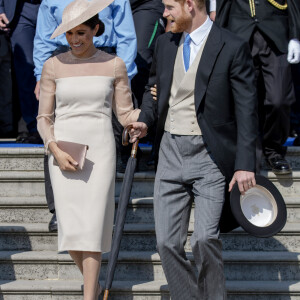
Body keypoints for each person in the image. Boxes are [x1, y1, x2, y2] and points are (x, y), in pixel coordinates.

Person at [129, 0, 258, 298]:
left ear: (190, 5)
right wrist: (145, 121)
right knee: (166, 244)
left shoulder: (232, 46)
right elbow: (154, 91)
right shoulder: (164, 44)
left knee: (204, 239)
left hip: (210, 156)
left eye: (170, 6)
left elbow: (247, 110)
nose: (164, 13)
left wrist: (245, 163)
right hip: (169, 153)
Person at [36, 0, 140, 298]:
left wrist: (147, 114)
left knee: (93, 229)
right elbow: (44, 118)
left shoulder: (114, 64)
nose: (75, 40)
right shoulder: (52, 65)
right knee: (71, 231)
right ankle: (96, 289)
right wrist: (54, 149)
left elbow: (125, 114)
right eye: (69, 34)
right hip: (63, 150)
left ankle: (89, 297)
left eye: (81, 32)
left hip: (100, 151)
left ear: (96, 29)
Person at [215, 0, 300, 174]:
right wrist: (218, 37)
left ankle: (273, 150)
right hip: (239, 30)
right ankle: (250, 156)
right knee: (245, 101)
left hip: (276, 31)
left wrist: (295, 35)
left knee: (280, 99)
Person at [0, 0, 41, 143]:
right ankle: (34, 128)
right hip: (20, 10)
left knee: (57, 65)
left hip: (54, 6)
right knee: (26, 71)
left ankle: (57, 124)